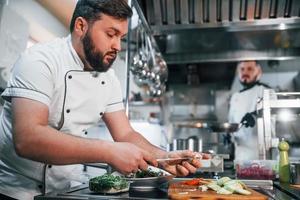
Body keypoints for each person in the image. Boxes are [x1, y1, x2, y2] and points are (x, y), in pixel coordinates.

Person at [0, 1, 204, 199]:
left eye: (121, 37)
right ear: (81, 26)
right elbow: (27, 139)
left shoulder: (108, 79)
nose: (118, 46)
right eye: (111, 34)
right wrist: (108, 151)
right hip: (15, 190)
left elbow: (125, 133)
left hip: (64, 189)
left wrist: (163, 158)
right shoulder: (39, 61)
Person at [228, 60, 271, 161]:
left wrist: (254, 116)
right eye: (242, 69)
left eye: (250, 69)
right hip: (240, 157)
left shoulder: (265, 91)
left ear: (258, 71)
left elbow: (273, 114)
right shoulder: (235, 96)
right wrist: (228, 135)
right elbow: (232, 123)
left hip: (261, 157)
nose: (245, 72)